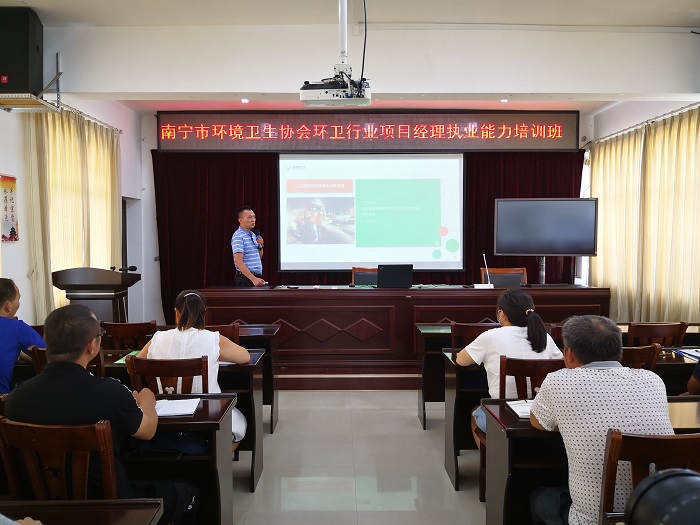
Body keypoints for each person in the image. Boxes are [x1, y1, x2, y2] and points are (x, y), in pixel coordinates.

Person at [3, 304, 176, 524]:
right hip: (108, 510)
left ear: (46, 341)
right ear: (92, 346)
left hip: (37, 512)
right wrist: (147, 401)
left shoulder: (16, 399)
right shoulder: (110, 393)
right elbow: (147, 430)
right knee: (186, 492)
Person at [529, 315, 673, 525]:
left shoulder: (558, 381)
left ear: (569, 354)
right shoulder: (653, 380)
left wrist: (571, 422)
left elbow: (537, 421)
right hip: (658, 516)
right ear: (619, 351)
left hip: (593, 520)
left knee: (538, 497)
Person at [137, 289, 250, 450]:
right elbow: (245, 356)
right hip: (206, 410)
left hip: (162, 408)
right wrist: (218, 356)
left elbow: (136, 363)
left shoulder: (157, 338)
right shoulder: (213, 339)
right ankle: (217, 458)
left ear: (176, 312)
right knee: (240, 425)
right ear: (203, 314)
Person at [455, 289, 562, 432]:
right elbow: (561, 366)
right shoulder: (544, 337)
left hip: (503, 415)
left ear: (501, 313)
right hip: (541, 415)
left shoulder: (490, 336)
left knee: (476, 412)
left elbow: (460, 360)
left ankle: (491, 447)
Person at [0, 278, 45, 393]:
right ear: (8, 306)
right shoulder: (17, 328)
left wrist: (18, 354)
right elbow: (46, 357)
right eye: (18, 299)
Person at [231, 206, 265, 287]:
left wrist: (260, 245)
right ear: (240, 220)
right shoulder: (238, 236)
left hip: (255, 277)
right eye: (249, 217)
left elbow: (258, 257)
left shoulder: (253, 235)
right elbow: (238, 262)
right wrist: (253, 279)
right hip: (246, 278)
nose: (253, 220)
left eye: (254, 217)